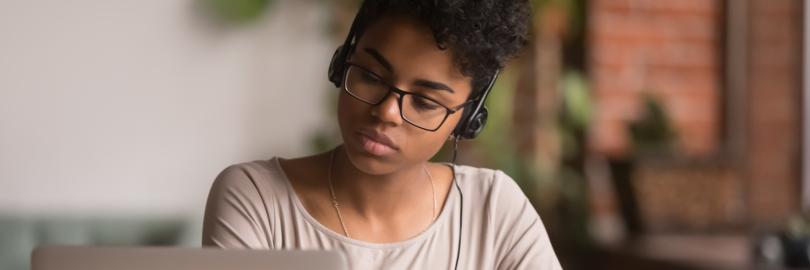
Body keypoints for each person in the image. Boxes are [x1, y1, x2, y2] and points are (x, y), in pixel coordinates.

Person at [202, 0, 562, 269]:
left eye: (423, 101)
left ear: (467, 119)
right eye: (371, 77)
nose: (386, 112)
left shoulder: (494, 210)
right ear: (341, 64)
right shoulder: (256, 199)